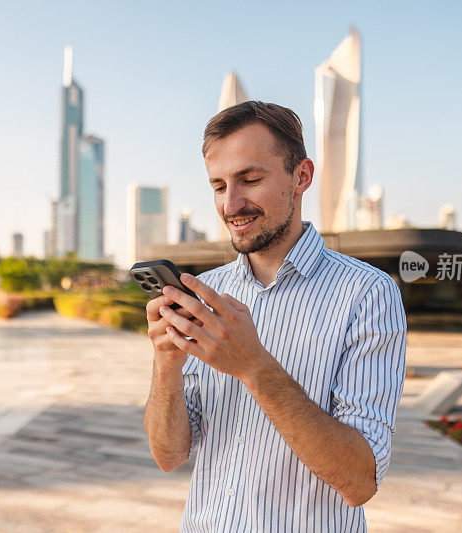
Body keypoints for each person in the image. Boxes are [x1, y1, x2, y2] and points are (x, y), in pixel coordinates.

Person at [142, 101, 407, 532]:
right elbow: (168, 456)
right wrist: (166, 365)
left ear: (301, 176)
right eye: (218, 185)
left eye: (250, 179)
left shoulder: (368, 294)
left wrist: (252, 366)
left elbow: (360, 482)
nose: (231, 204)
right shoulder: (204, 293)